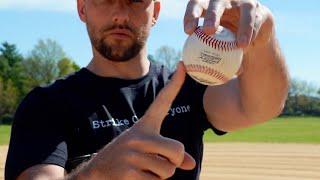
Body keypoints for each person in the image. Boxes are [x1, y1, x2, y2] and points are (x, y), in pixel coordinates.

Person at [5, 0, 289, 179]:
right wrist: (97, 174)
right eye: (104, 0)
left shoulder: (187, 87)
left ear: (155, 11)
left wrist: (263, 39)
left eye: (135, 0)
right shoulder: (45, 105)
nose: (119, 13)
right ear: (82, 8)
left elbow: (260, 106)